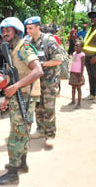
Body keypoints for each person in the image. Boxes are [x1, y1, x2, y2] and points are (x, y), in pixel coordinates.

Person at [0, 17, 43, 185]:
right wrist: (7, 97)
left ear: (17, 31)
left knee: (16, 135)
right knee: (22, 131)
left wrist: (15, 88)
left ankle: (13, 173)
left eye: (8, 30)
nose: (5, 33)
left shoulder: (24, 48)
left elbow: (38, 70)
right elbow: (14, 76)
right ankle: (22, 163)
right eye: (3, 31)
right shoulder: (13, 50)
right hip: (19, 95)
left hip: (26, 96)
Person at [24, 16, 63, 147]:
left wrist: (41, 64)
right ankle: (40, 129)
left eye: (30, 28)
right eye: (27, 28)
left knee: (49, 108)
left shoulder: (48, 40)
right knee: (38, 107)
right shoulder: (28, 42)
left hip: (49, 81)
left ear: (38, 28)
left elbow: (58, 59)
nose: (28, 31)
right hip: (36, 81)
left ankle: (50, 135)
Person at [68, 40, 85, 109]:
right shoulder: (74, 53)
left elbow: (82, 66)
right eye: (75, 45)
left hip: (78, 73)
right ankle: (73, 100)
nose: (75, 47)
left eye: (77, 46)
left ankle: (79, 103)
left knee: (78, 88)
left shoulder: (82, 55)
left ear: (81, 47)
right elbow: (73, 62)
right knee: (73, 88)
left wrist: (81, 75)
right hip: (73, 72)